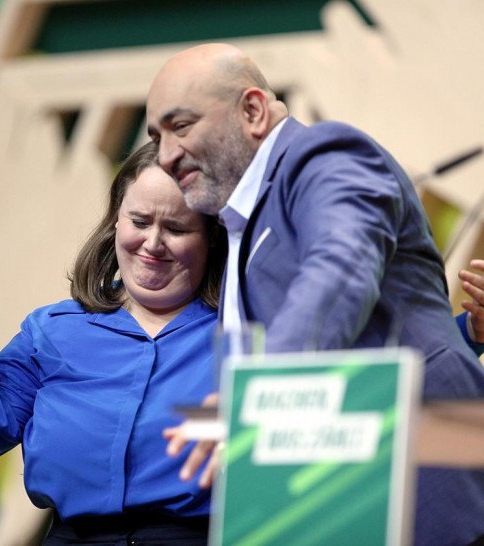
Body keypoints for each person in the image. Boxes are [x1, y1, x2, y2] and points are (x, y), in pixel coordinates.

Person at [145, 43, 484, 546]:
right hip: (338, 501)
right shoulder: (240, 225)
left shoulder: (323, 154)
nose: (166, 155)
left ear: (254, 111)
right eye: (156, 137)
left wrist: (259, 403)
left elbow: (341, 266)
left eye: (181, 126)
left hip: (431, 483)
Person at [0, 142, 227, 545]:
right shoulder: (54, 329)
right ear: (115, 222)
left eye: (177, 228)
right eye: (140, 221)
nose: (152, 243)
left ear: (212, 237)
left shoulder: (245, 334)